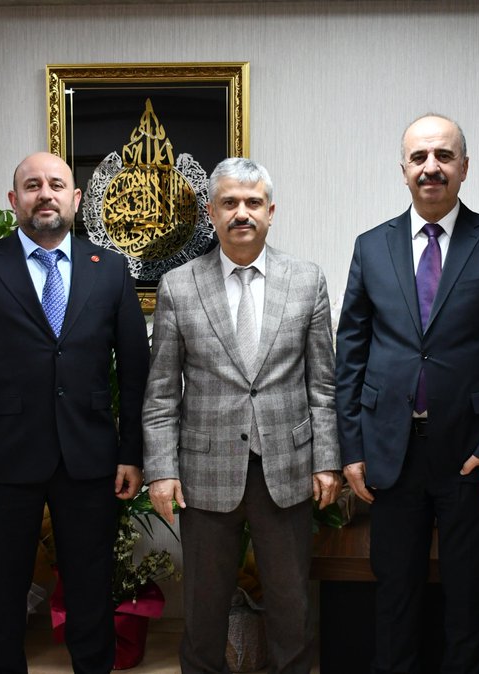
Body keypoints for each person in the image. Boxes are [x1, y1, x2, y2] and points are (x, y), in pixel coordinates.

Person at [0, 151, 150, 673]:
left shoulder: (110, 269)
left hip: (90, 461)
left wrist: (131, 453)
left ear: (76, 199)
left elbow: (137, 373)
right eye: (31, 185)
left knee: (92, 593)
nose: (44, 193)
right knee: (0, 597)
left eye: (56, 184)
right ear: (14, 201)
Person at [335, 113, 479, 674]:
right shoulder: (372, 247)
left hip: (471, 453)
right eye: (419, 158)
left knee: (467, 599)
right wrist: (352, 447)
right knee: (395, 595)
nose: (431, 168)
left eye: (443, 156)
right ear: (403, 171)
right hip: (390, 450)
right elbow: (350, 351)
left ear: (464, 167)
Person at [142, 157, 340, 674]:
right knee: (204, 613)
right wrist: (161, 471)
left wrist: (328, 461)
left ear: (271, 212)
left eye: (253, 203)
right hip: (206, 472)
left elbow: (323, 386)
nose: (242, 213)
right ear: (212, 213)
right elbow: (161, 394)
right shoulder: (179, 287)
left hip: (287, 468)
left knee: (292, 607)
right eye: (229, 203)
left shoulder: (306, 280)